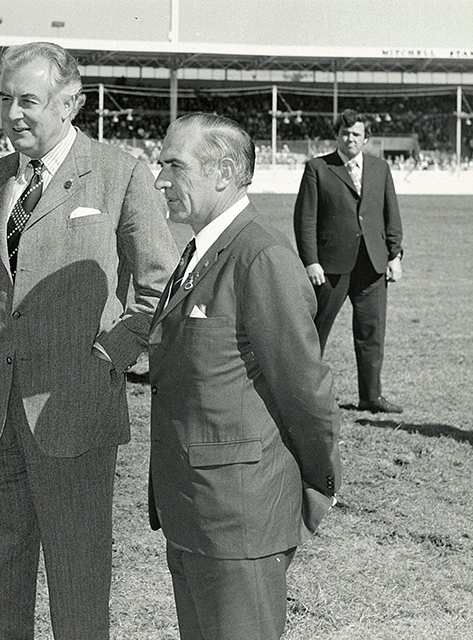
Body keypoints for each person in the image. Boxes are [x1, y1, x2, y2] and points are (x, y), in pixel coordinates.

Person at [0, 41, 178, 639]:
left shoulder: (120, 174)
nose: (14, 114)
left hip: (75, 413)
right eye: (6, 100)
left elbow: (160, 284)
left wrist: (111, 355)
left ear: (71, 103)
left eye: (29, 101)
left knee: (79, 586)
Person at [149, 113, 341, 640]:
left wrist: (315, 487)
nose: (160, 179)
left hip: (240, 520)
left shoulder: (260, 257)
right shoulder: (199, 251)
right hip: (193, 511)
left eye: (174, 166)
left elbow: (306, 392)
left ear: (224, 171)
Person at [294, 108, 404, 413]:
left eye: (356, 133)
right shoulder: (318, 168)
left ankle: (371, 397)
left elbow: (390, 214)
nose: (350, 138)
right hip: (329, 267)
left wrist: (395, 254)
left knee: (372, 333)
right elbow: (305, 219)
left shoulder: (380, 168)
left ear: (366, 138)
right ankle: (305, 396)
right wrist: (310, 261)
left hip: (373, 265)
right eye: (344, 133)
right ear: (336, 136)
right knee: (316, 333)